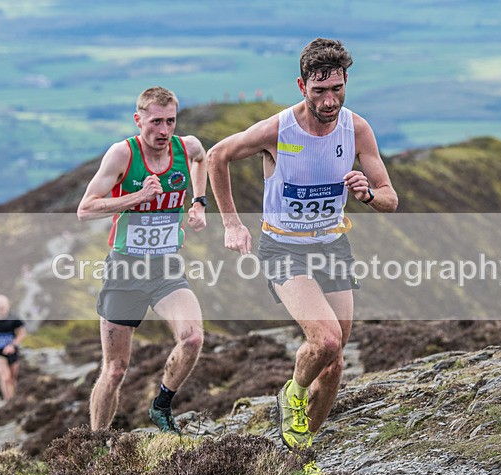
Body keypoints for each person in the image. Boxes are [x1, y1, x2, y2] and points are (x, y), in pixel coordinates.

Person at [207, 38, 398, 450]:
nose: (329, 101)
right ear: (301, 86)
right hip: (283, 249)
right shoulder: (279, 129)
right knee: (325, 340)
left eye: (337, 89)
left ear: (346, 81)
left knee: (334, 361)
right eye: (319, 91)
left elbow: (390, 199)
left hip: (333, 247)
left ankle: (300, 448)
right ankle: (290, 395)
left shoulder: (356, 128)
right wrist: (231, 223)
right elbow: (216, 156)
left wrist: (366, 194)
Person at [77, 86, 207, 433]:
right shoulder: (122, 154)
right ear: (138, 120)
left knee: (192, 338)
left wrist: (199, 202)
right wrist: (137, 196)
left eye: (170, 122)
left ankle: (161, 406)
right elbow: (86, 208)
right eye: (155, 122)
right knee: (115, 369)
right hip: (124, 270)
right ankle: (96, 443)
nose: (163, 131)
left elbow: (201, 157)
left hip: (165, 269)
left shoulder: (185, 146)